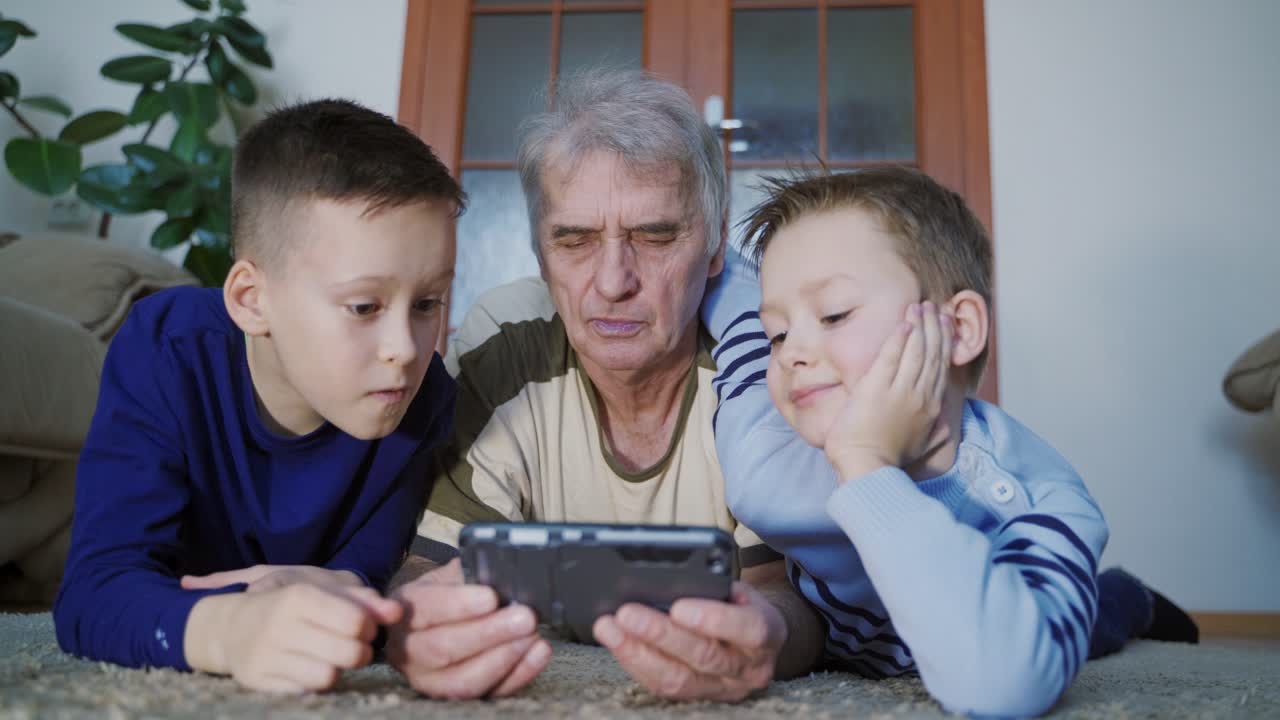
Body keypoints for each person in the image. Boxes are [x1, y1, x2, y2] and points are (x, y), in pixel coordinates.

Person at [384, 68, 826, 702]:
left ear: (715, 247)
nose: (614, 280)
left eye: (655, 235)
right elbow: (428, 569)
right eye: (575, 240)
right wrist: (418, 627)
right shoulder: (505, 342)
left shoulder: (759, 361)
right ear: (539, 254)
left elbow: (788, 599)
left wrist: (768, 637)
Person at [702, 167, 1198, 717]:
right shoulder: (764, 452)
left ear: (958, 330)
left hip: (1006, 607)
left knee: (1088, 626)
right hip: (843, 631)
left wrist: (866, 465)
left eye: (835, 313)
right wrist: (697, 257)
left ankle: (1131, 598)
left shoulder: (1033, 497)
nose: (791, 352)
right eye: (780, 331)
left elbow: (1003, 687)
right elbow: (739, 318)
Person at [53, 99, 464, 693]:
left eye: (427, 304)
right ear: (250, 299)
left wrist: (352, 597)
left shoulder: (422, 399)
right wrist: (228, 630)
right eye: (364, 307)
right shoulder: (166, 349)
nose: (405, 348)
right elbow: (95, 591)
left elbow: (365, 577)